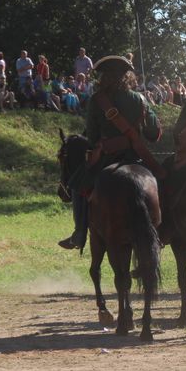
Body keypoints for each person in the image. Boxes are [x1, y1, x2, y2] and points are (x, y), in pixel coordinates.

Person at [58, 55, 162, 250]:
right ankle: (162, 232)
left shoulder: (97, 100)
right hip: (136, 157)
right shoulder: (140, 98)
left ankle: (79, 233)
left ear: (104, 76)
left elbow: (92, 137)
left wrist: (98, 146)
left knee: (76, 185)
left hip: (107, 158)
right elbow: (153, 133)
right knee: (160, 183)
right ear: (127, 76)